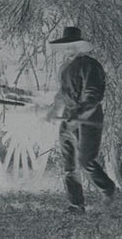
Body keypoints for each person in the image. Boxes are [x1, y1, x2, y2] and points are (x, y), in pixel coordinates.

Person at [45, 25, 117, 214]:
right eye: (66, 45)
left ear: (80, 46)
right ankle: (76, 204)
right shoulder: (64, 68)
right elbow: (62, 93)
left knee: (86, 160)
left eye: (72, 45)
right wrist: (53, 109)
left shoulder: (91, 65)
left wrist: (80, 115)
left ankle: (108, 189)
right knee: (69, 164)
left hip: (89, 120)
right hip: (68, 118)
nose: (69, 48)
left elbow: (93, 95)